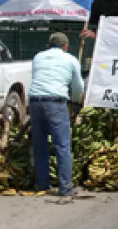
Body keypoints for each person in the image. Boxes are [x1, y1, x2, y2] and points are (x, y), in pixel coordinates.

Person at [29, 32, 85, 197]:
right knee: (62, 145)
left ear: (48, 45)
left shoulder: (38, 57)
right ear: (65, 46)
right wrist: (75, 101)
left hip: (34, 102)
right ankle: (65, 187)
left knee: (40, 145)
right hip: (55, 103)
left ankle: (42, 184)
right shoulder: (70, 60)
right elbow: (78, 87)